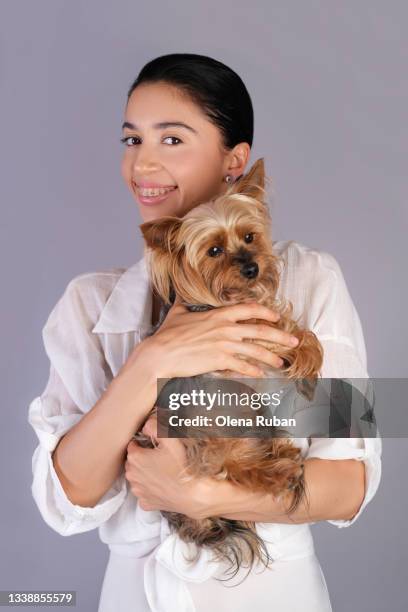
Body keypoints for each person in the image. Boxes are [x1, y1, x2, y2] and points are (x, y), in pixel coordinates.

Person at [28, 53, 382, 612]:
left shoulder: (311, 280)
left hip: (270, 595)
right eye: (131, 140)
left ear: (235, 161)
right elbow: (69, 495)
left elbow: (349, 485)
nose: (143, 164)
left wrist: (198, 492)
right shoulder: (90, 304)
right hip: (133, 596)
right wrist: (152, 360)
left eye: (172, 140)